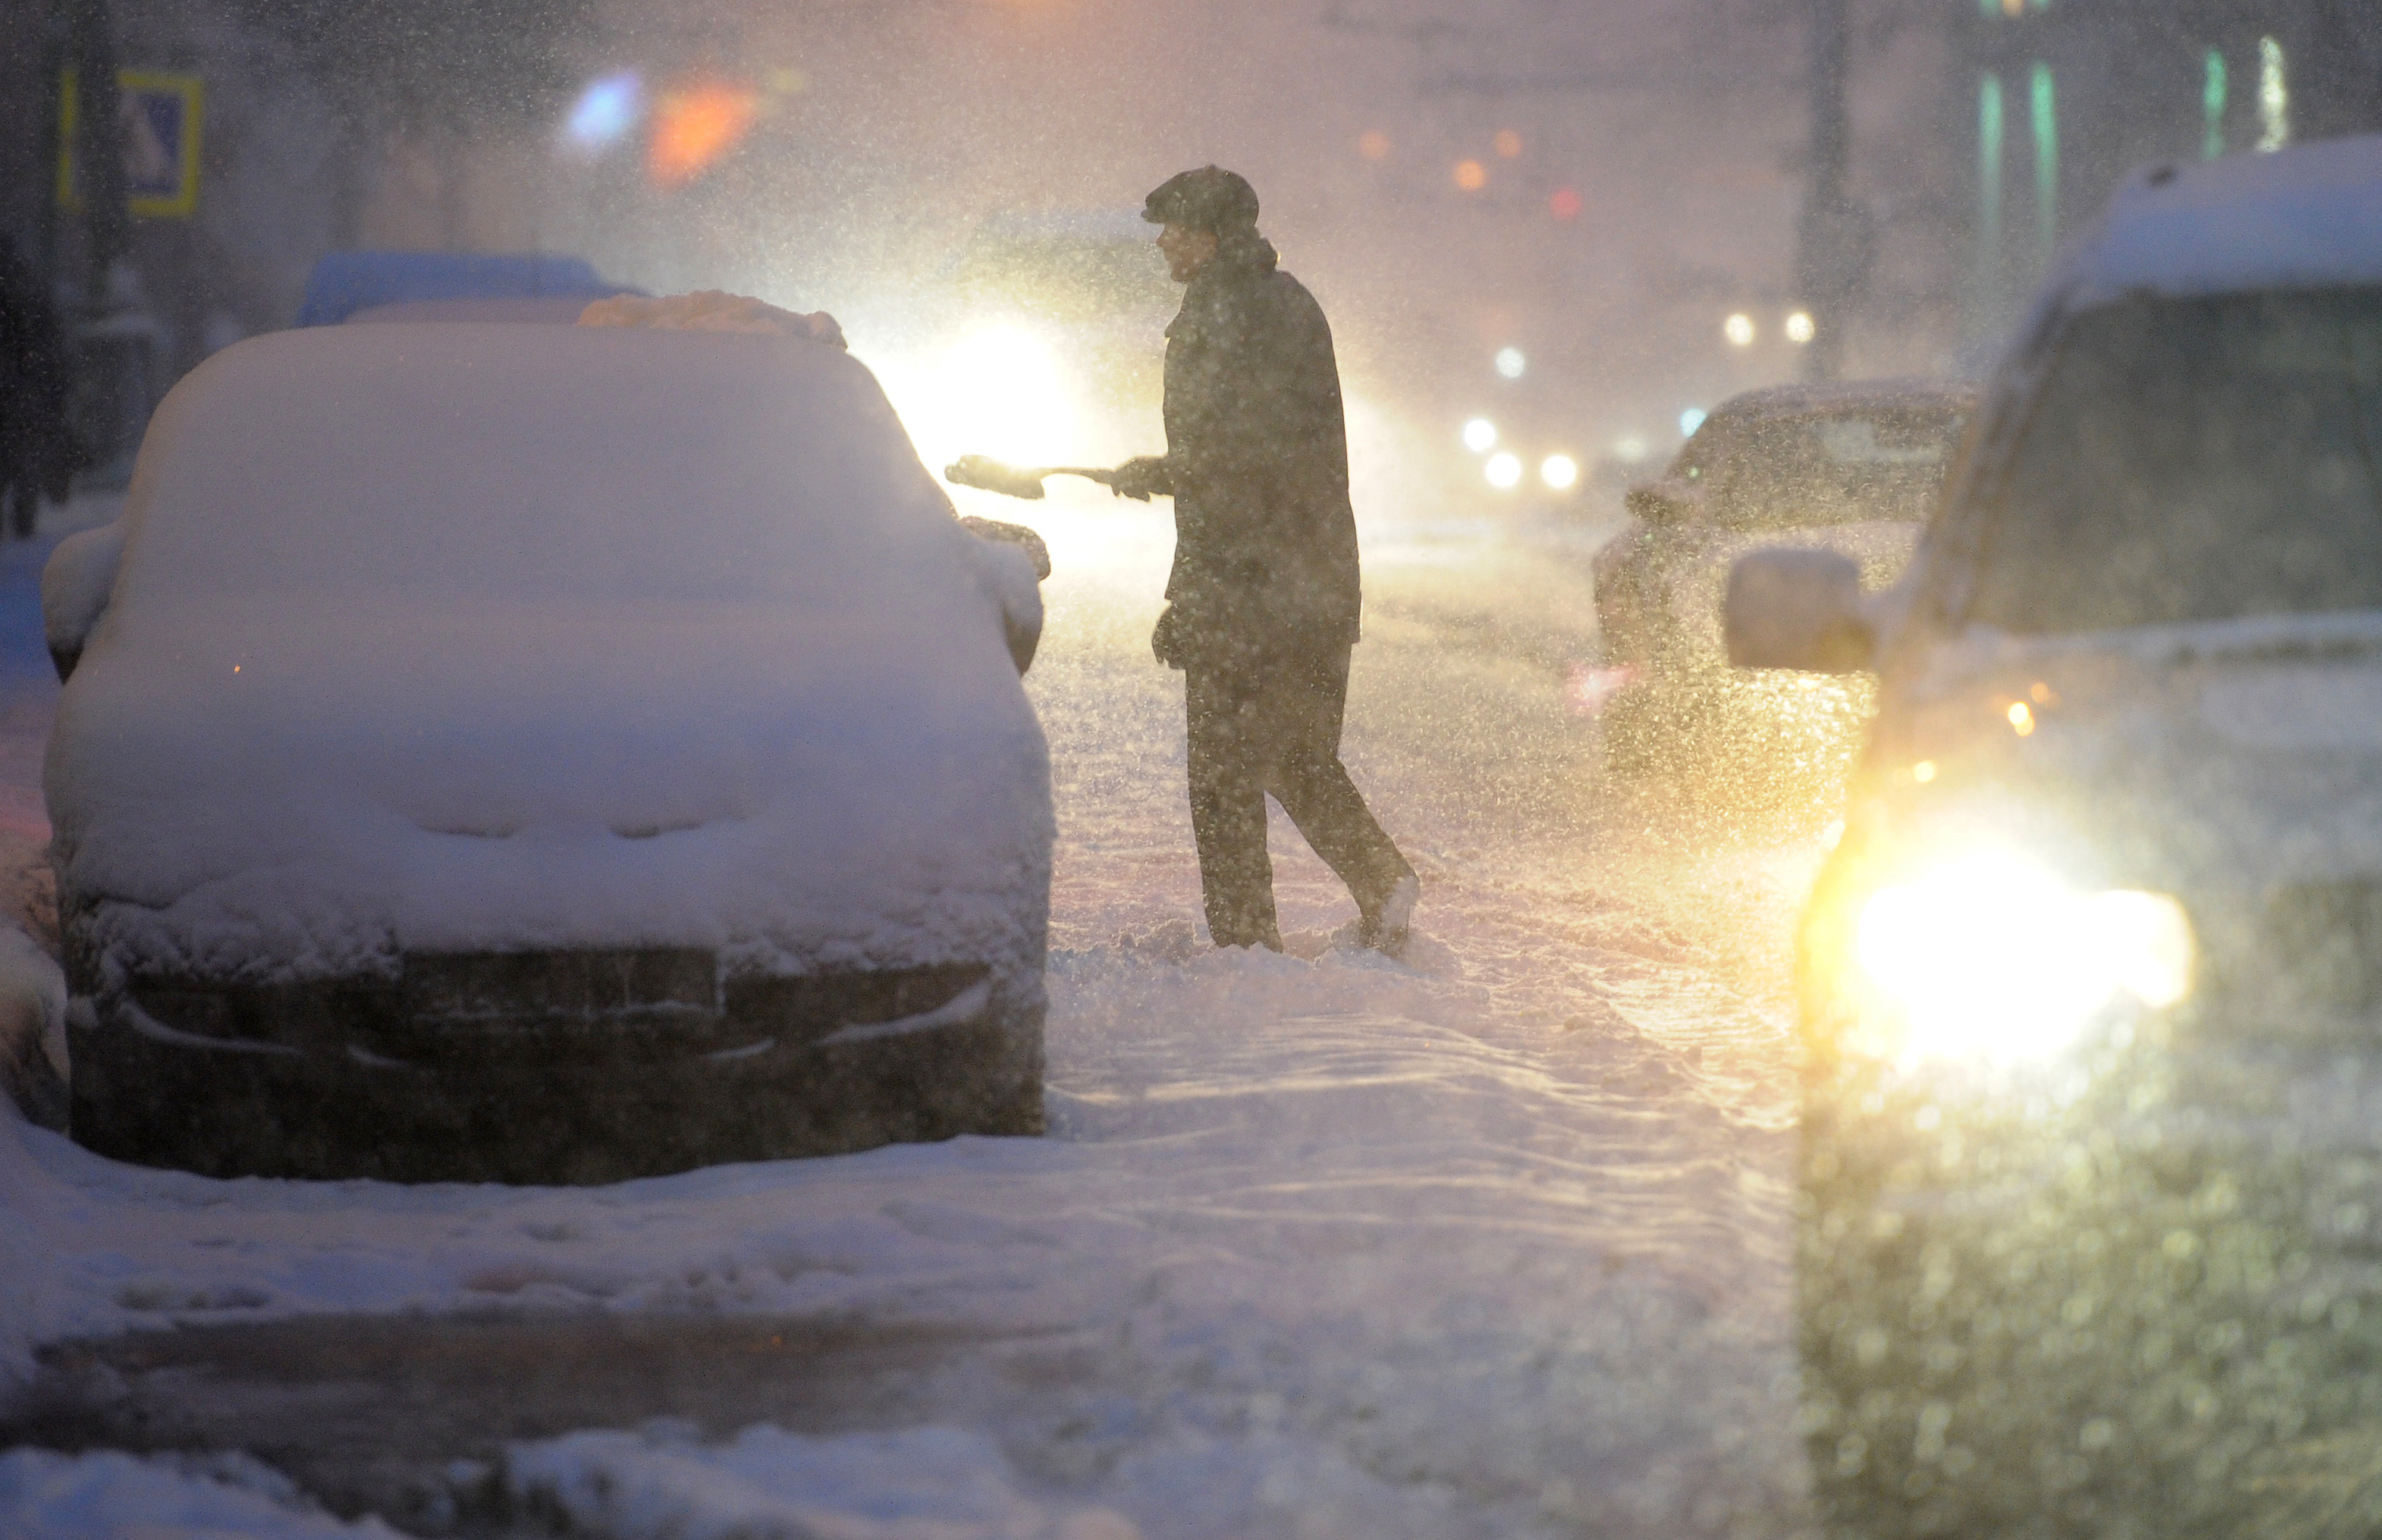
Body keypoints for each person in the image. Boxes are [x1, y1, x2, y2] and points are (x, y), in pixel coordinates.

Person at [1109, 166, 1418, 955]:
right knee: (1296, 754)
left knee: (1220, 778)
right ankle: (1381, 880)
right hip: (1312, 574)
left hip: (1249, 584)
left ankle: (1246, 947)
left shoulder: (1219, 314)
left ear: (1209, 239)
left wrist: (1193, 592)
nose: (1162, 248)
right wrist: (1169, 469)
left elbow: (1234, 467)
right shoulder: (1287, 302)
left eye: (1173, 233)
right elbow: (1261, 451)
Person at [0, 240, 76, 542]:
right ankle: (24, 516)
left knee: (13, 458)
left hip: (15, 388)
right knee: (23, 457)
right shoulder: (32, 293)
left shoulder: (21, 297)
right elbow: (51, 346)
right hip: (28, 392)